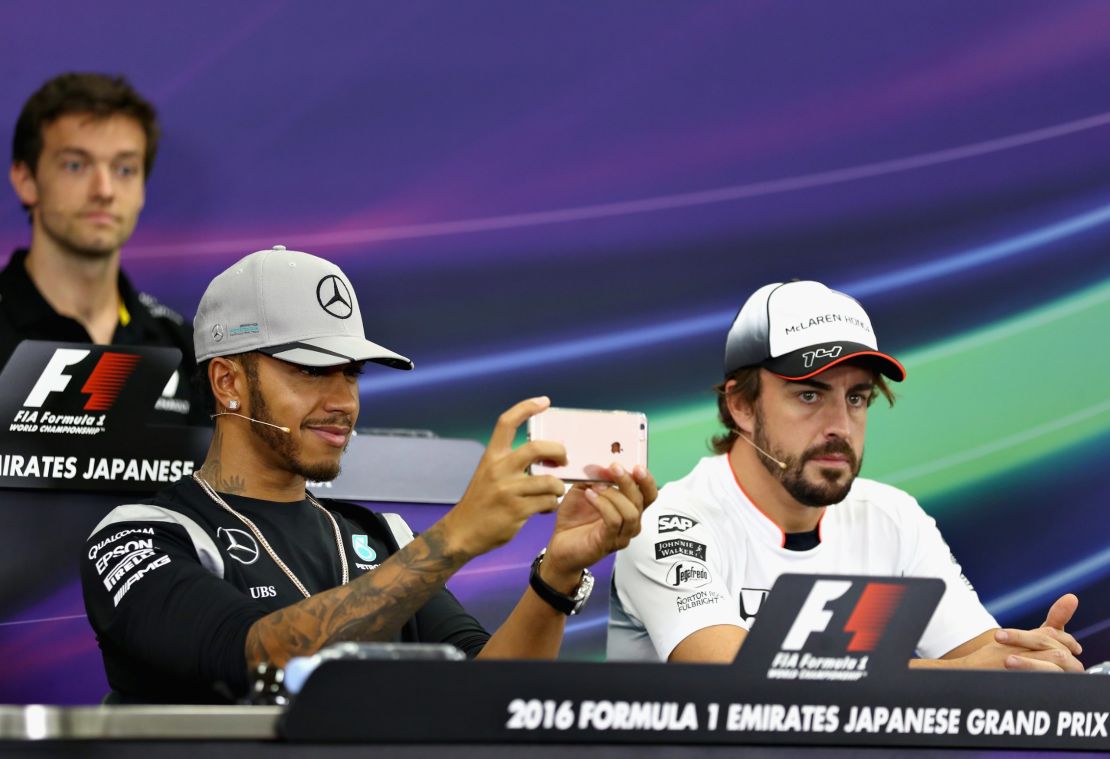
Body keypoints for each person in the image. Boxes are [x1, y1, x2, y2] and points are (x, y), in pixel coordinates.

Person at [81, 245, 657, 703]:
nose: (343, 401)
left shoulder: (381, 539)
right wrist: (455, 537)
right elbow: (258, 656)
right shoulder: (141, 535)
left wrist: (556, 576)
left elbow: (487, 696)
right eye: (311, 370)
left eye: (351, 373)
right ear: (228, 382)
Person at [608, 280, 1082, 672]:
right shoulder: (667, 520)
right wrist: (969, 674)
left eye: (856, 398)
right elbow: (733, 676)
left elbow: (984, 654)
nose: (840, 425)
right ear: (741, 405)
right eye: (810, 396)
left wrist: (1028, 662)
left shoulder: (892, 517)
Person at [3, 72, 199, 423]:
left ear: (142, 189)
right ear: (26, 180)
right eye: (76, 165)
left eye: (125, 169)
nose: (104, 190)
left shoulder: (186, 349)